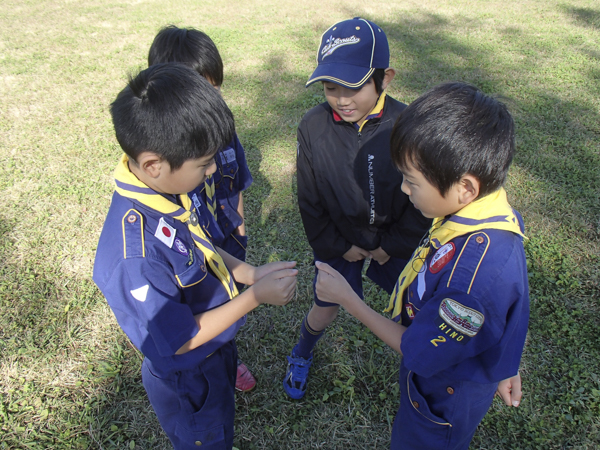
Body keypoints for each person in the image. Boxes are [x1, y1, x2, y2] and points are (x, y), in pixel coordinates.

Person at [93, 63, 297, 449]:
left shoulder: (165, 191)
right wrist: (254, 297)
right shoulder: (133, 257)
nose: (214, 169)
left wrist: (249, 274)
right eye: (204, 164)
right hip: (189, 379)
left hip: (214, 350)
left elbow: (198, 245)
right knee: (206, 438)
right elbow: (181, 339)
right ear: (153, 164)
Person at [315, 82, 528, 449]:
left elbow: (415, 348)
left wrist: (348, 299)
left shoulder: (469, 284)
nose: (403, 190)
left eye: (412, 182)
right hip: (458, 365)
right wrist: (506, 364)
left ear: (465, 187)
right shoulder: (487, 212)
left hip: (440, 396)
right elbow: (511, 309)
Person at [282, 17, 431, 399]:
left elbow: (422, 199)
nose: (342, 99)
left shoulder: (407, 124)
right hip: (340, 240)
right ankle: (302, 350)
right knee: (326, 304)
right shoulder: (312, 126)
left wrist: (390, 246)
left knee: (415, 305)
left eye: (354, 86)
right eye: (331, 87)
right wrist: (337, 246)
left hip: (394, 240)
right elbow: (309, 199)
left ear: (386, 78)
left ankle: (420, 371)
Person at [148, 25, 257, 392]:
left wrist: (240, 229)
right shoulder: (168, 164)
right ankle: (212, 363)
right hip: (194, 253)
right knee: (202, 308)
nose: (212, 103)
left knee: (230, 302)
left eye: (215, 90)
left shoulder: (226, 133)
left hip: (228, 238)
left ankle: (231, 356)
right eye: (200, 94)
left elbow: (236, 180)